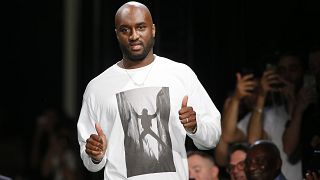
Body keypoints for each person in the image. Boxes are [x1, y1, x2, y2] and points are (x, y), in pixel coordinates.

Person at [76, 1, 221, 180]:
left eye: (141, 27)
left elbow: (213, 137)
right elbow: (89, 161)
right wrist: (95, 155)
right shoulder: (97, 87)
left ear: (153, 29)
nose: (133, 35)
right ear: (117, 34)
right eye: (125, 30)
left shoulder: (180, 74)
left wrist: (195, 127)